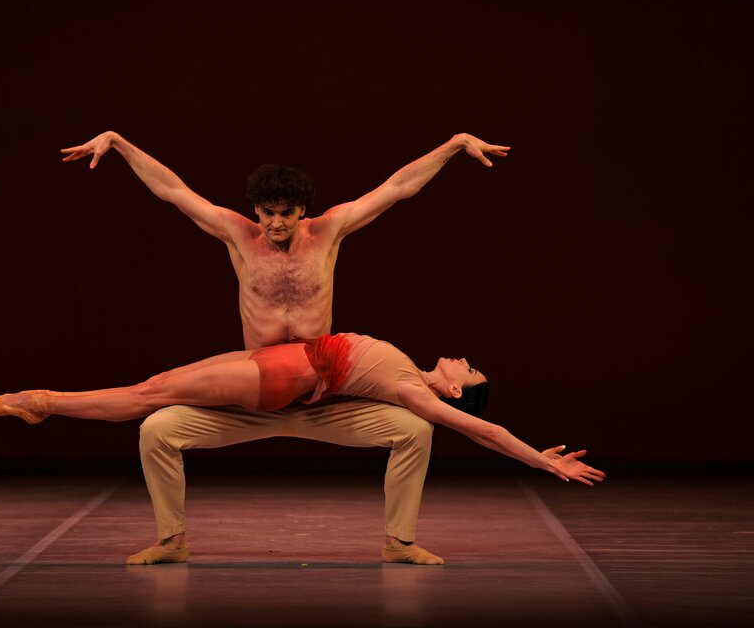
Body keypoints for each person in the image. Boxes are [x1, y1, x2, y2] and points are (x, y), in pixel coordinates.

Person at [52, 130, 510, 565]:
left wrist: (453, 145)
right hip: (254, 399)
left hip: (322, 399)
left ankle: (399, 542)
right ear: (255, 210)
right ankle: (171, 542)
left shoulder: (328, 232)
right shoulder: (238, 234)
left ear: (302, 210)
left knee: (415, 431)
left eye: (286, 213)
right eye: (267, 212)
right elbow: (172, 190)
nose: (276, 222)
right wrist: (118, 143)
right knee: (156, 429)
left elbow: (398, 188)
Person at [0, 333, 605, 566]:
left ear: (456, 392)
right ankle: (49, 406)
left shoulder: (417, 393)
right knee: (156, 399)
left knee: (149, 394)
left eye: (469, 371)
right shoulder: (411, 375)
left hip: (284, 376)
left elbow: (483, 431)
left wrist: (543, 460)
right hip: (285, 365)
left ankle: (44, 402)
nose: (464, 360)